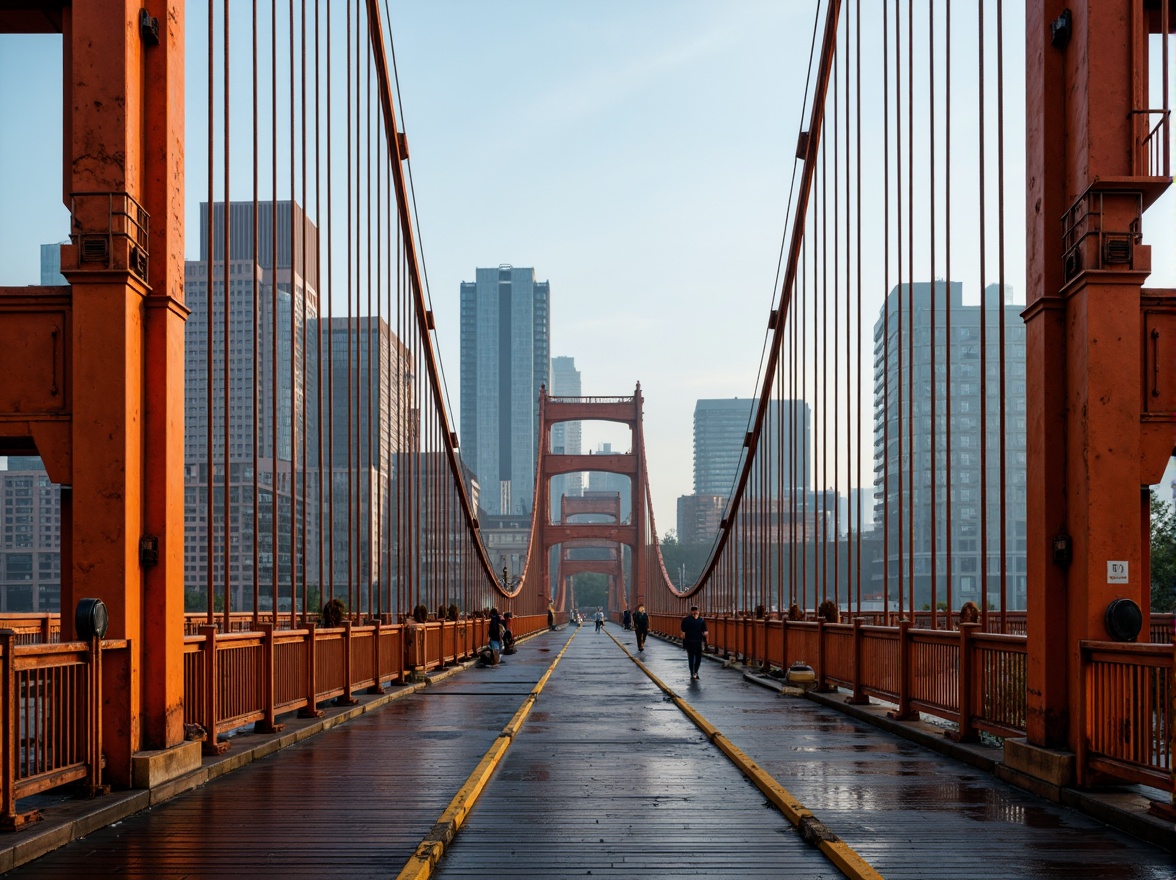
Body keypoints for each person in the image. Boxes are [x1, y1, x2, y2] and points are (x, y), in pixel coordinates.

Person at [680, 605, 708, 680]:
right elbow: (705, 632)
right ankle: (694, 672)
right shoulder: (701, 620)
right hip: (697, 642)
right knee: (697, 658)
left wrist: (684, 642)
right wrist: (705, 640)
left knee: (692, 658)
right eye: (695, 611)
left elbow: (683, 633)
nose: (696, 612)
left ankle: (693, 672)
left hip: (691, 642)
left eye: (696, 611)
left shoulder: (686, 620)